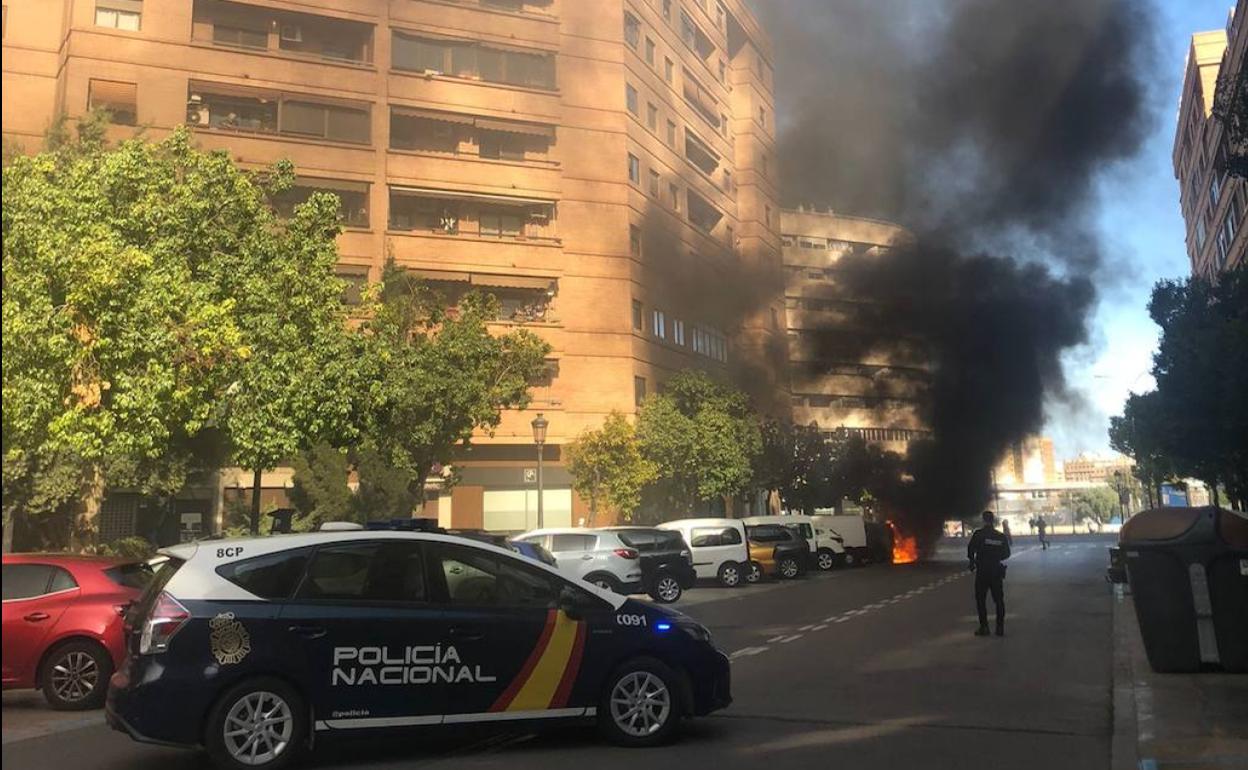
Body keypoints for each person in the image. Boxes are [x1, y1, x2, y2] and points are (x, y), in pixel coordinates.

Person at [968, 510, 1011, 637]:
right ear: (993, 520)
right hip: (996, 571)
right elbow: (1006, 554)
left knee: (981, 600)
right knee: (999, 600)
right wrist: (995, 558)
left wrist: (972, 562)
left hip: (982, 571)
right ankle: (1000, 628)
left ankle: (984, 627)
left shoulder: (978, 534)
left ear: (983, 520)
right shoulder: (1000, 536)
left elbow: (970, 549)